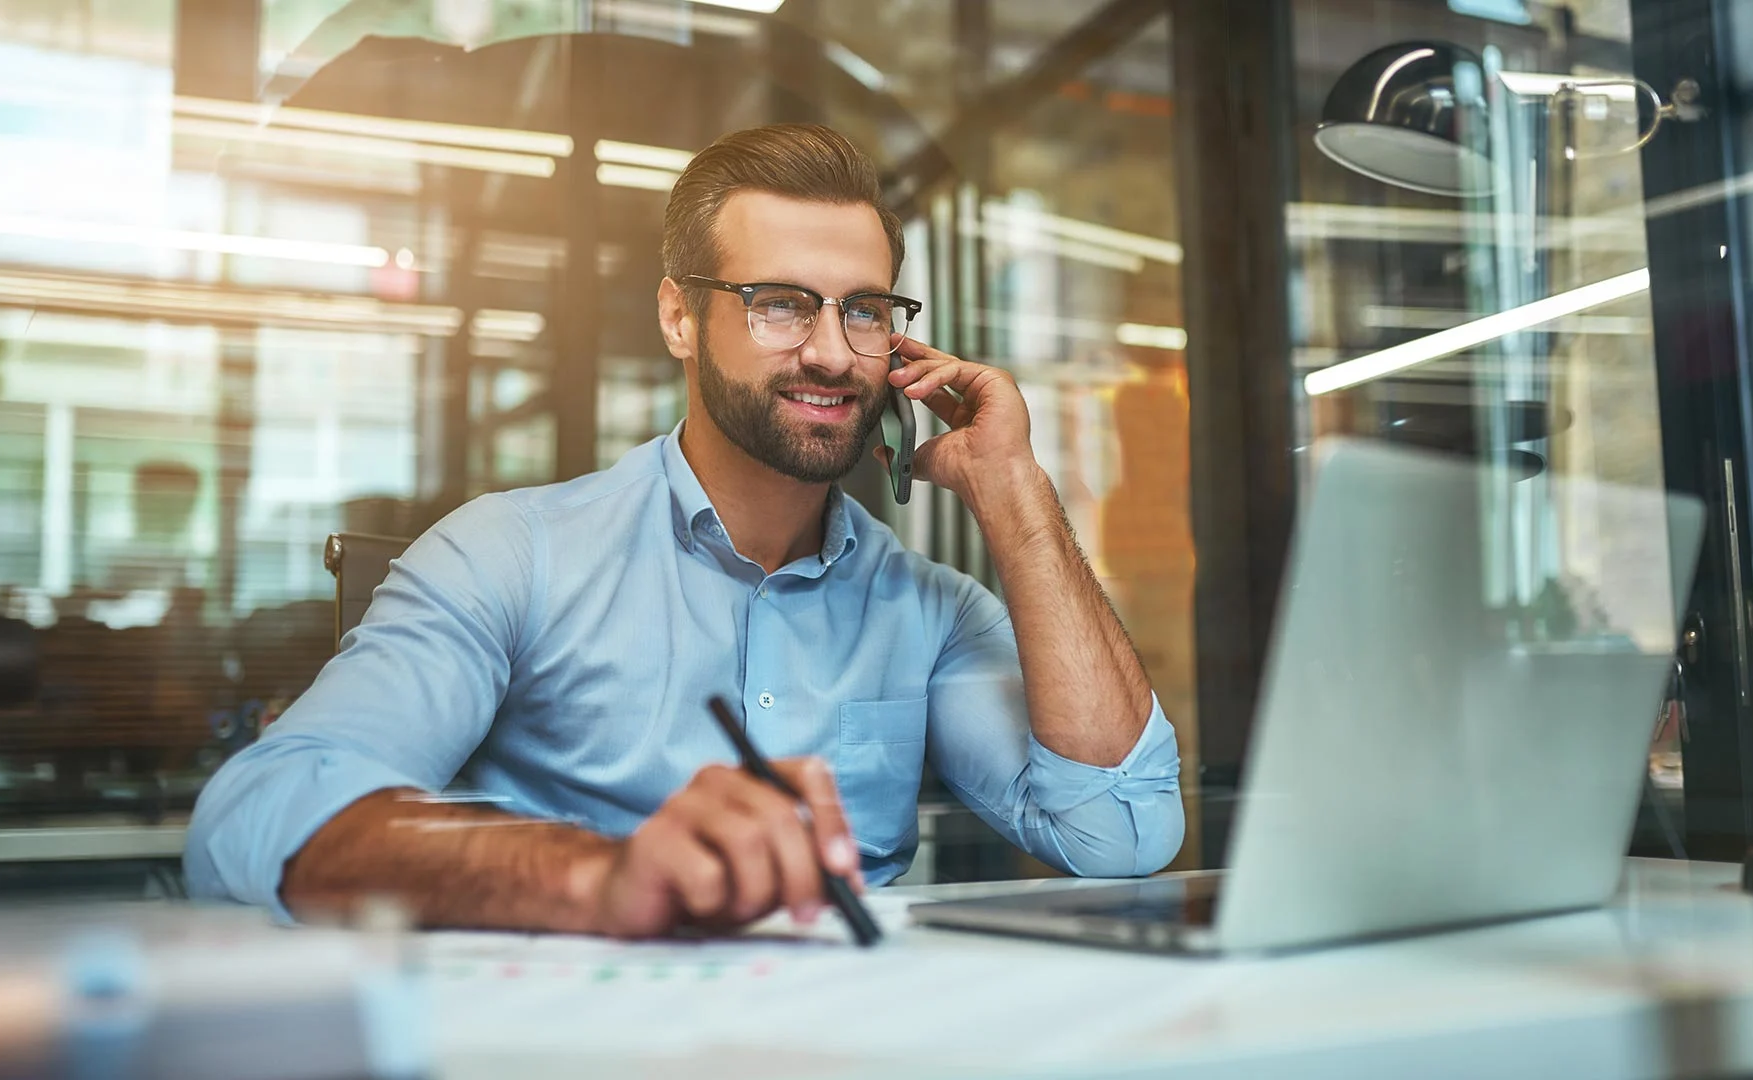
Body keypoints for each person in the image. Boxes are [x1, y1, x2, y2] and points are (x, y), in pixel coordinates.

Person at [185, 124, 1183, 938]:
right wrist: (600, 876)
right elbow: (250, 822)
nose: (833, 354)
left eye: (865, 312)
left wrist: (1014, 490)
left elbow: (1121, 833)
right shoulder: (510, 555)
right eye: (780, 306)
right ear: (678, 318)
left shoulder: (929, 611)